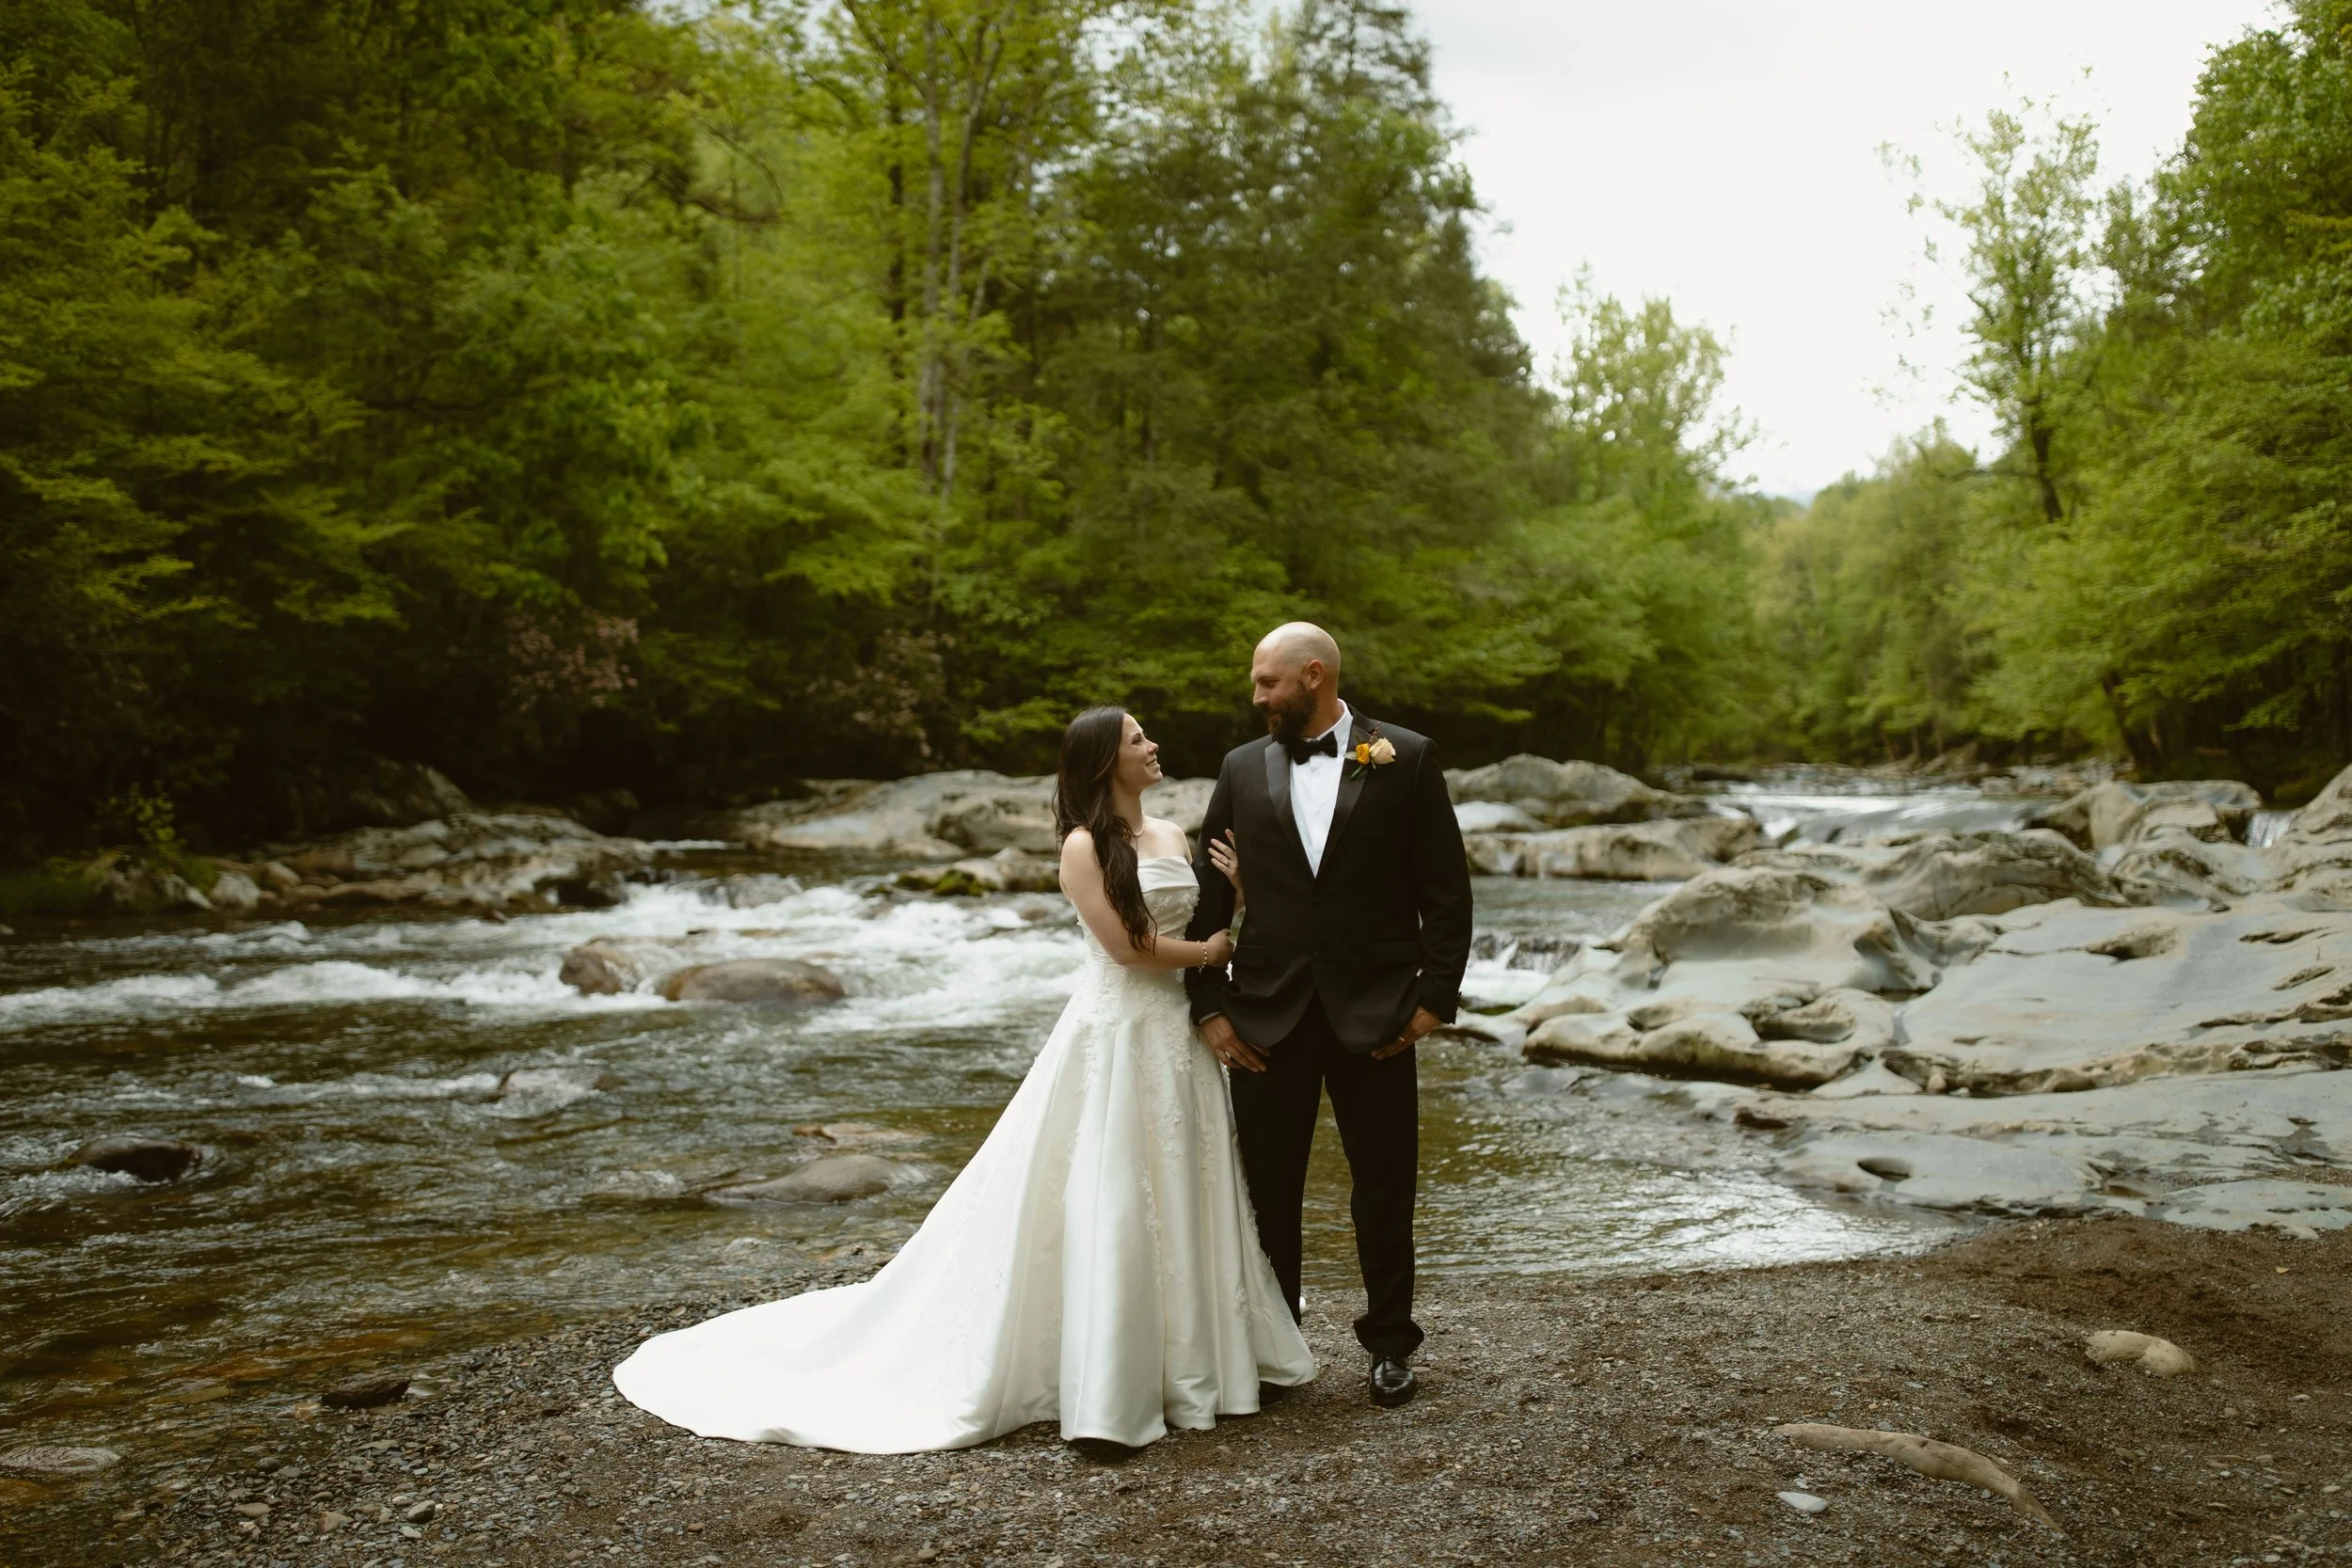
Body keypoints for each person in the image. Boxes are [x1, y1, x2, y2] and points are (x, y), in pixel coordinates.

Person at [611, 706, 1314, 1452]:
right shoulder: (1082, 846)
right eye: (1138, 739)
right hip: (1116, 1032)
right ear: (1108, 760)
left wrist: (1232, 903)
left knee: (1186, 1182)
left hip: (1175, 1038)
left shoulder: (1174, 835)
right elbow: (1126, 948)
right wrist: (1213, 952)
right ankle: (1110, 1376)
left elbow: (1198, 917)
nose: (1153, 746)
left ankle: (1197, 1363)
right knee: (1114, 1191)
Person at [1184, 623, 1473, 1409]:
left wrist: (1430, 1004)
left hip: (1377, 1016)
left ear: (1313, 675)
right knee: (1266, 1188)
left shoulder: (1406, 757)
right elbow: (1211, 897)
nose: (1256, 697)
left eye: (1268, 683)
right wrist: (1208, 1006)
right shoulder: (1241, 767)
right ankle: (1277, 1349)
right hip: (1264, 1013)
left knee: (1384, 1184)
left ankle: (1389, 1344)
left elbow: (1446, 892)